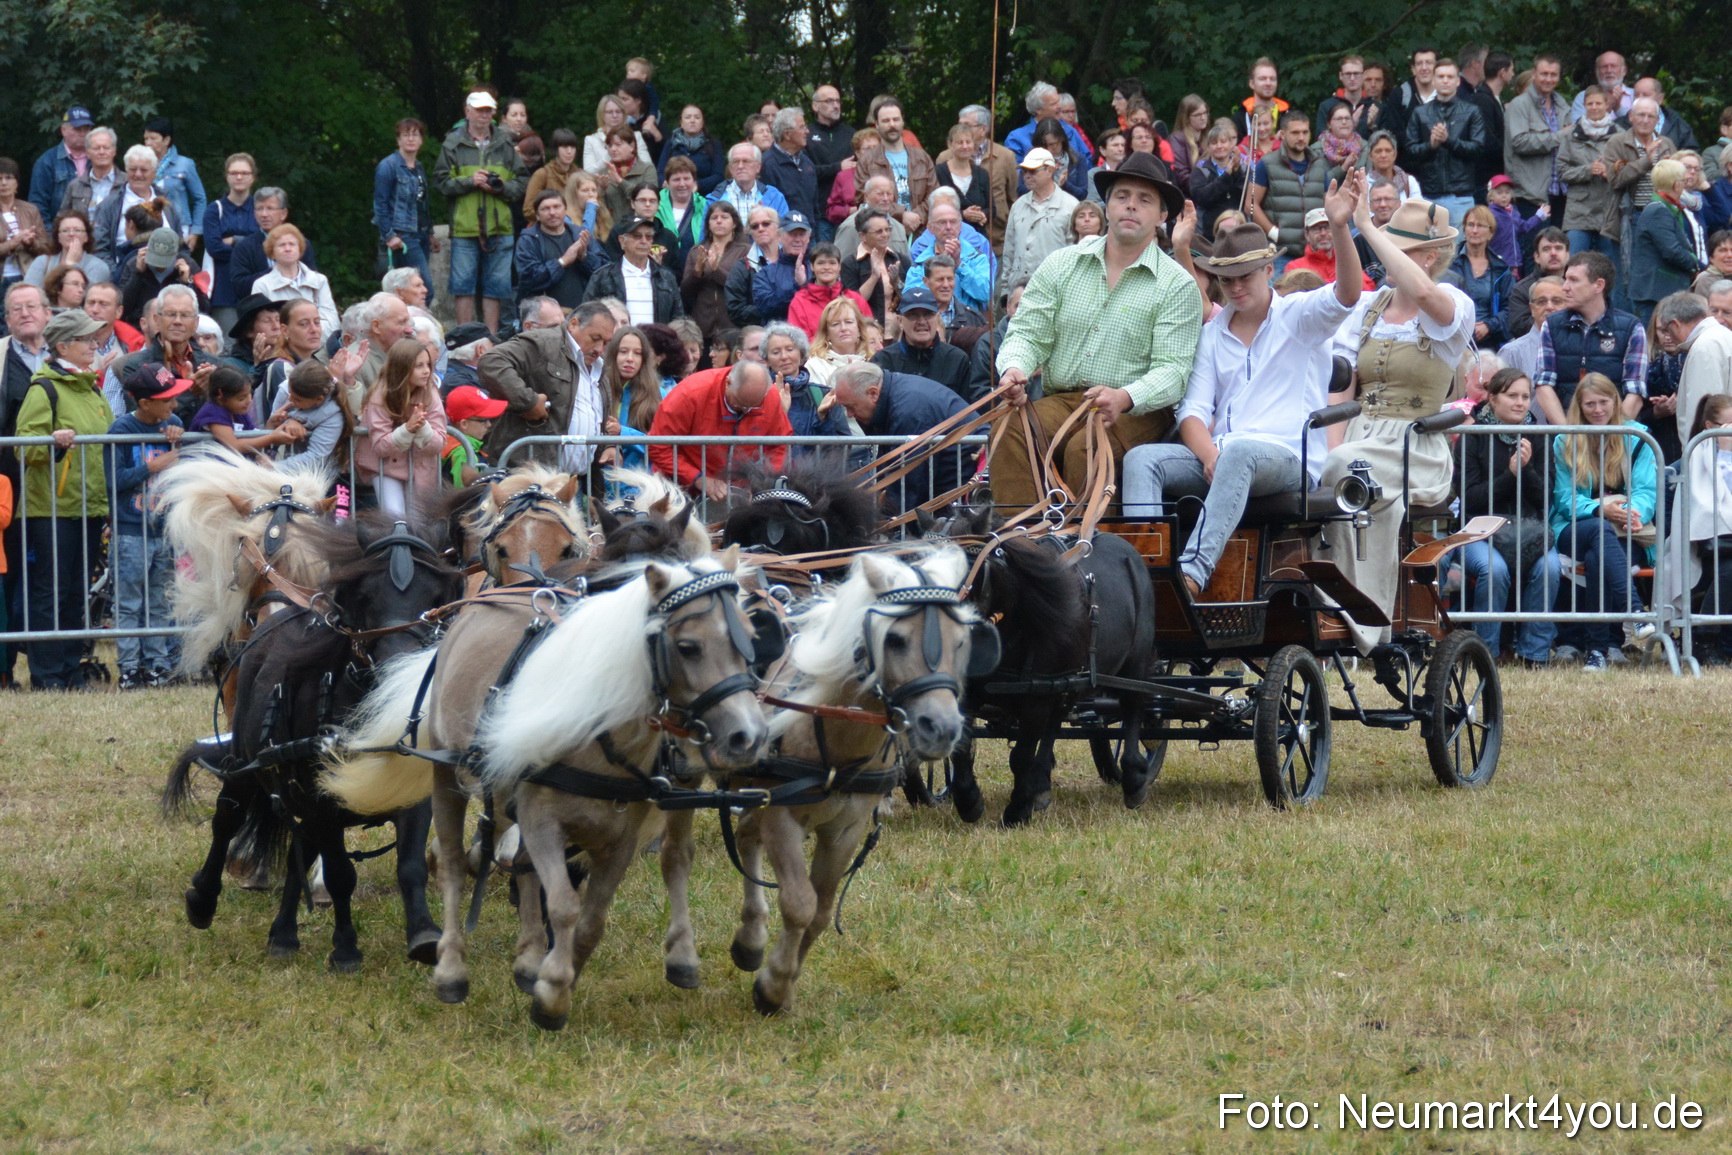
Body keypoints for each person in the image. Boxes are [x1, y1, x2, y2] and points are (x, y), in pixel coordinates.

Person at [1122, 175, 1363, 597]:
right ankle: (1143, 580)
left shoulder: (1299, 317)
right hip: (1225, 455)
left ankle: (1190, 575)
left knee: (1241, 452)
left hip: (1288, 459)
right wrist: (1210, 455)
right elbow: (1192, 412)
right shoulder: (1213, 335)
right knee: (1142, 459)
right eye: (1227, 278)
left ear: (1270, 271)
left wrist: (1340, 226)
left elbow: (1347, 293)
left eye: (1245, 276)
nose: (1235, 287)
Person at [992, 153, 1200, 509]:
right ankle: (1026, 545)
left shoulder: (1178, 285)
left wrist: (1124, 397)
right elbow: (1027, 332)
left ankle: (1082, 549)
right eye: (1122, 196)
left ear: (1163, 216)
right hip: (1067, 399)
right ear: (1107, 206)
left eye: (1144, 199)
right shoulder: (1062, 263)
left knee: (1083, 449)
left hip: (1138, 411)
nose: (1131, 206)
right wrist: (1014, 368)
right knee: (1009, 427)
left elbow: (1173, 372)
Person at [1320, 196, 1477, 652]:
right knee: (1326, 475)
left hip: (1415, 445)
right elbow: (1342, 385)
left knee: (1350, 467)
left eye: (1399, 248)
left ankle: (1363, 617)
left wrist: (1369, 228)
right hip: (1357, 437)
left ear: (1429, 257)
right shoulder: (1369, 308)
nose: (1385, 255)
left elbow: (1426, 294)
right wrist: (1331, 453)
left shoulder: (1454, 304)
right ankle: (1328, 604)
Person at [13, 310, 114, 688]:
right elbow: (25, 448)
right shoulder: (44, 389)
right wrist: (52, 442)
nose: (94, 344)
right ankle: (47, 674)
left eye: (94, 338)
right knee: (50, 593)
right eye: (86, 339)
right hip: (51, 510)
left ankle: (71, 670)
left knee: (75, 593)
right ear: (62, 346)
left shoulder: (94, 389)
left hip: (88, 507)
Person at [1450, 367, 1561, 665]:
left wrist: (1527, 471)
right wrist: (1510, 475)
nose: (1520, 403)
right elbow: (1470, 498)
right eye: (1512, 396)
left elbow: (1545, 498)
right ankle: (1485, 652)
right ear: (1492, 399)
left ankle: (1534, 655)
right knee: (1494, 570)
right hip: (1479, 532)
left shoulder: (1538, 436)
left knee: (1550, 568)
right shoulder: (1472, 437)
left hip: (1529, 530)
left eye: (1525, 397)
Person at [1551, 372, 1659, 670]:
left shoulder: (1638, 437)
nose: (1597, 410)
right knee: (1599, 530)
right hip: (1574, 526)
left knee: (1599, 555)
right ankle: (1634, 612)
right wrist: (1601, 510)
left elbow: (1646, 492)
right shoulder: (1566, 439)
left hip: (1626, 530)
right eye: (1589, 404)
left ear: (1615, 401)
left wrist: (1631, 513)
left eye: (1603, 402)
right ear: (1579, 407)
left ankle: (1597, 651)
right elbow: (1564, 498)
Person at [103, 359, 188, 687]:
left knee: (159, 600)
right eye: (167, 399)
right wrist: (153, 468)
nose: (174, 404)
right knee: (128, 601)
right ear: (144, 403)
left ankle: (157, 664)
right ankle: (128, 667)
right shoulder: (121, 430)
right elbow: (114, 480)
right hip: (130, 532)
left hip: (163, 530)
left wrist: (178, 442)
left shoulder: (174, 422)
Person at [479, 300, 615, 473]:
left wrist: (610, 444)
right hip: (528, 475)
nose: (599, 348)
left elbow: (597, 418)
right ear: (573, 324)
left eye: (605, 342)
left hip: (575, 481)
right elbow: (491, 362)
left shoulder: (598, 367)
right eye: (595, 339)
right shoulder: (543, 342)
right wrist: (528, 402)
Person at [435, 91, 527, 332]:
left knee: (495, 287)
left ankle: (491, 340)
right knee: (462, 286)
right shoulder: (452, 143)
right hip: (465, 227)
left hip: (500, 226)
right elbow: (441, 182)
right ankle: (465, 340)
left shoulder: (505, 142)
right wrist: (470, 181)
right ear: (467, 111)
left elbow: (522, 182)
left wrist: (501, 188)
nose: (484, 115)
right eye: (479, 110)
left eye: (488, 110)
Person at [647, 359, 790, 505]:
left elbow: (782, 445)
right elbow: (658, 446)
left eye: (754, 406)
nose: (746, 410)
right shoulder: (690, 394)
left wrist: (762, 482)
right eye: (739, 404)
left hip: (739, 493)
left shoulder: (770, 397)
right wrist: (697, 479)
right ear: (728, 383)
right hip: (680, 491)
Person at [831, 360, 968, 507]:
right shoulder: (896, 394)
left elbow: (909, 484)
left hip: (961, 484)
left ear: (873, 393)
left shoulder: (908, 410)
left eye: (850, 407)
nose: (849, 414)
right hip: (953, 480)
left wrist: (889, 521)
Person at [1534, 251, 1647, 423]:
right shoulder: (1552, 325)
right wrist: (1569, 436)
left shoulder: (1631, 327)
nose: (1565, 287)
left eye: (1573, 280)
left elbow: (1635, 393)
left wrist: (1610, 439)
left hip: (1615, 438)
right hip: (1566, 436)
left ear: (1598, 285)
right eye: (1565, 279)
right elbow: (1544, 385)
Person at [357, 337, 447, 514]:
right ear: (402, 368)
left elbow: (439, 443)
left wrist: (422, 427)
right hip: (386, 467)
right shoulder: (380, 396)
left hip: (421, 467)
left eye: (428, 364)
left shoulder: (431, 393)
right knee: (395, 516)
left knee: (420, 521)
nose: (426, 371)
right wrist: (407, 429)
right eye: (418, 366)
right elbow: (381, 446)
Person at [1401, 59, 1485, 227]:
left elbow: (1478, 149)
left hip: (1460, 195)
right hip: (1428, 194)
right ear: (1433, 80)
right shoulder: (1420, 113)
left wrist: (1449, 141)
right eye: (1440, 76)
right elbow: (1409, 152)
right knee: (1429, 249)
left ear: (1458, 81)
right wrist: (1430, 146)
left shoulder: (1472, 111)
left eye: (1449, 76)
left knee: (1458, 248)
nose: (1445, 81)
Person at [1504, 52, 1574, 236]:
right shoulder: (1520, 105)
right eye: (1544, 74)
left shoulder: (1563, 106)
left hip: (1561, 191)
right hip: (1531, 194)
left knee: (1557, 250)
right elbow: (1519, 142)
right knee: (1533, 252)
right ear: (1534, 73)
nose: (1548, 79)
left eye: (1553, 75)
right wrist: (1559, 136)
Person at [1630, 160, 1706, 323]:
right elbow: (1672, 251)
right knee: (1652, 344)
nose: (1685, 184)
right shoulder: (1658, 210)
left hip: (1661, 291)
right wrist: (1697, 265)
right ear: (1677, 185)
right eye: (1684, 181)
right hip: (1655, 293)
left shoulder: (1664, 208)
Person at [1655, 291, 1732, 453]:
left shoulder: (1704, 347)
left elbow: (1704, 410)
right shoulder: (1722, 336)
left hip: (1712, 457)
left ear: (1675, 324)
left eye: (1667, 330)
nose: (1669, 337)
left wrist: (1695, 459)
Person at [998, 148, 1079, 299]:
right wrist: (1005, 291)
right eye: (1024, 172)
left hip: (1055, 291)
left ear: (1050, 170)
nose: (1027, 176)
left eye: (1033, 171)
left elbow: (1074, 252)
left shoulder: (1070, 206)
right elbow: (1009, 250)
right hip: (1019, 293)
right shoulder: (1018, 206)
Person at [88, 146, 183, 275]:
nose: (138, 174)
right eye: (133, 169)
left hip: (166, 277)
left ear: (154, 172)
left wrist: (181, 273)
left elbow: (181, 244)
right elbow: (99, 248)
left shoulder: (166, 204)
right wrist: (118, 275)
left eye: (144, 170)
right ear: (126, 170)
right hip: (125, 277)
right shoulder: (109, 205)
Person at [373, 119, 437, 311]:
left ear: (421, 140)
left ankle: (406, 326)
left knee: (411, 291)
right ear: (398, 139)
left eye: (415, 134)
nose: (410, 138)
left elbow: (422, 204)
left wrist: (431, 232)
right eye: (406, 134)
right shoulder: (388, 166)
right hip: (403, 237)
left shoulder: (418, 167)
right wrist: (389, 235)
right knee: (424, 290)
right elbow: (380, 204)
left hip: (421, 234)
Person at [1249, 111, 1325, 265]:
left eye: (1305, 132)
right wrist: (1274, 233)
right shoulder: (1266, 164)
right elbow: (1250, 204)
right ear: (1282, 134)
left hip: (1315, 252)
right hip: (1279, 253)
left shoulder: (1319, 164)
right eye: (1295, 133)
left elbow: (1329, 203)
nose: (1301, 137)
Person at [874, 286, 975, 401]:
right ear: (900, 321)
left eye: (928, 314)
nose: (921, 321)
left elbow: (966, 412)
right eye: (913, 315)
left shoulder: (957, 360)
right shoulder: (882, 361)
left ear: (937, 318)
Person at [585, 214, 682, 326]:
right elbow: (588, 316)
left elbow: (678, 319)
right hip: (617, 341)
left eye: (648, 237)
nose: (644, 241)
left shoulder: (666, 277)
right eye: (637, 236)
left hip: (656, 342)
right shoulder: (602, 276)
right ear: (622, 241)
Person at [189, 364, 304, 457]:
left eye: (249, 394)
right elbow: (234, 445)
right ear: (220, 394)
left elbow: (253, 439)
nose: (249, 400)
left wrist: (271, 426)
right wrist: (272, 437)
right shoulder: (213, 411)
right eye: (241, 398)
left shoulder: (238, 412)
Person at [200, 153, 260, 331]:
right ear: (226, 176)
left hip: (256, 287)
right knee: (227, 345)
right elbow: (214, 248)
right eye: (234, 173)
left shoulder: (261, 209)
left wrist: (233, 240)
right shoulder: (214, 210)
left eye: (244, 173)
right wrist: (250, 248)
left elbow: (266, 245)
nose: (239, 177)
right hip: (224, 290)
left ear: (253, 177)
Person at [903, 194, 993, 310]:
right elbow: (911, 297)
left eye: (953, 222)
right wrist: (938, 267)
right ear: (930, 228)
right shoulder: (920, 263)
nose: (949, 227)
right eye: (942, 222)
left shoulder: (976, 257)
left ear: (960, 226)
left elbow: (986, 293)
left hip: (969, 324)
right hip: (932, 323)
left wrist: (959, 264)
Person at [858, 99, 935, 234]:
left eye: (896, 119)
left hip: (921, 231)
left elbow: (934, 193)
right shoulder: (866, 161)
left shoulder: (922, 157)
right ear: (876, 124)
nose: (892, 125)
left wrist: (916, 217)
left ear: (902, 122)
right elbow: (862, 198)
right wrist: (902, 215)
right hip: (883, 231)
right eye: (886, 121)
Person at [250, 223, 339, 339]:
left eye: (292, 244)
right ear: (272, 253)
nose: (287, 249)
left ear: (300, 249)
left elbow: (332, 322)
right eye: (281, 245)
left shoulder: (319, 280)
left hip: (320, 349)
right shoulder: (261, 285)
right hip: (281, 352)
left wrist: (308, 338)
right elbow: (263, 328)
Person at [516, 189, 601, 309]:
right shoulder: (528, 240)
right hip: (543, 315)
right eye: (545, 209)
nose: (552, 212)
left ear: (565, 210)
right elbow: (529, 279)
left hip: (583, 311)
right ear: (537, 216)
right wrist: (562, 261)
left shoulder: (580, 235)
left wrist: (584, 257)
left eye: (556, 207)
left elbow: (603, 273)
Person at [226, 188, 313, 304]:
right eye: (259, 209)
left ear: (283, 213)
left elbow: (312, 281)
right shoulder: (244, 247)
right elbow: (239, 287)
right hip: (261, 309)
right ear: (254, 214)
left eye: (270, 208)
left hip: (297, 306)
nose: (264, 214)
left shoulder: (300, 243)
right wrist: (276, 271)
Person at [680, 200, 748, 343]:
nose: (718, 221)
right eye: (714, 218)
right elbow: (685, 293)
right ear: (708, 224)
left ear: (734, 223)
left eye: (724, 217)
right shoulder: (696, 251)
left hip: (733, 327)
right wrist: (697, 271)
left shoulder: (745, 251)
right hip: (703, 328)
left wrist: (716, 270)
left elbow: (742, 287)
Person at [1449, 205, 1516, 347]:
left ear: (1490, 233)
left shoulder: (1501, 269)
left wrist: (1489, 326)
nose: (1474, 230)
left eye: (1480, 226)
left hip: (1488, 341)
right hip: (1452, 337)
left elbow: (1510, 307)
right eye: (1470, 225)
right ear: (1464, 230)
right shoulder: (1448, 263)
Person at [140, 118, 206, 248]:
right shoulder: (141, 165)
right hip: (148, 225)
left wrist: (196, 232)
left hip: (179, 226)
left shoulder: (184, 164)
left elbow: (200, 199)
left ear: (166, 140)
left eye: (153, 138)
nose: (148, 143)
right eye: (146, 139)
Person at [787, 242, 869, 338]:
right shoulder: (800, 301)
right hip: (815, 352)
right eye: (821, 263)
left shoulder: (855, 299)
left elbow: (869, 333)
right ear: (812, 267)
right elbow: (799, 341)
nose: (826, 267)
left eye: (832, 263)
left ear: (839, 267)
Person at [1285, 206, 1377, 289]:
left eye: (1328, 227)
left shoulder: (1347, 263)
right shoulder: (1295, 267)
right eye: (1317, 229)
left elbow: (1368, 289)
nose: (1323, 233)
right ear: (1307, 235)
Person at [839, 207, 903, 324]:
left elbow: (911, 298)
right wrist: (874, 277)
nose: (885, 235)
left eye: (887, 230)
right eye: (879, 231)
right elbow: (851, 305)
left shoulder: (899, 259)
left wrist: (897, 282)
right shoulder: (850, 264)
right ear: (863, 236)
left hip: (898, 330)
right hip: (868, 330)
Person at [934, 124, 996, 242]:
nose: (965, 146)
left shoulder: (982, 174)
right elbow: (935, 208)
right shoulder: (939, 173)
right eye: (960, 142)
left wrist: (981, 215)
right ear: (950, 144)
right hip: (948, 240)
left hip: (977, 240)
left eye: (968, 142)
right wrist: (963, 214)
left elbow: (992, 209)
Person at [28, 107, 92, 220]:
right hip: (59, 232)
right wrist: (50, 235)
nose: (82, 134)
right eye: (77, 129)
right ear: (63, 130)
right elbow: (37, 205)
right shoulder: (46, 162)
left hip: (96, 232)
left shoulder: (98, 159)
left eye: (86, 129)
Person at [751, 211, 814, 325]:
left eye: (802, 234)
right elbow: (765, 308)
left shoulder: (819, 269)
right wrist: (798, 286)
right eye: (792, 234)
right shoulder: (765, 274)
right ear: (779, 236)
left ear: (808, 238)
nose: (797, 239)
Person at [1505, 226, 1569, 338]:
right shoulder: (1521, 289)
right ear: (1537, 257)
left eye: (1558, 248)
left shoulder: (1578, 286)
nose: (1553, 253)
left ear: (1567, 255)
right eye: (1546, 249)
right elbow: (1518, 327)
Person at [1499, 275, 1566, 380]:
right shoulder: (1512, 353)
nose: (1549, 307)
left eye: (1556, 301)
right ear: (1532, 309)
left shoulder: (1580, 348)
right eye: (1541, 301)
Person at [24, 210, 109, 293]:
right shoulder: (41, 262)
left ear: (86, 237)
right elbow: (28, 294)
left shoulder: (98, 267)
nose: (71, 234)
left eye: (77, 230)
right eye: (65, 230)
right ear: (58, 237)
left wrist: (71, 264)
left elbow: (80, 297)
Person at [805, 86, 856, 225]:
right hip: (819, 211)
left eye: (838, 101)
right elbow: (806, 171)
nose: (835, 106)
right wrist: (838, 167)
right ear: (815, 106)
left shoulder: (851, 134)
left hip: (849, 213)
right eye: (829, 101)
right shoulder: (805, 134)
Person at [761, 108, 819, 227]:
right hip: (784, 234)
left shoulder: (807, 163)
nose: (807, 131)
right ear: (787, 134)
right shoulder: (768, 164)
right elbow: (768, 208)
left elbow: (815, 206)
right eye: (802, 127)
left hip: (809, 234)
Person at [1189, 122, 1247, 239]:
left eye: (1223, 142)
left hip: (1238, 230)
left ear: (1231, 144)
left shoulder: (1244, 168)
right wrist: (1227, 175)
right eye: (1214, 143)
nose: (1219, 146)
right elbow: (1202, 197)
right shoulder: (1200, 170)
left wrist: (1236, 172)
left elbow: (1245, 196)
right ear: (1208, 146)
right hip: (1209, 233)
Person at [441, 384, 505, 486]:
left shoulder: (454, 444)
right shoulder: (463, 453)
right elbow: (463, 494)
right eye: (483, 420)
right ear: (464, 424)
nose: (489, 425)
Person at [0, 159, 49, 289]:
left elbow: (46, 248)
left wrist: (31, 243)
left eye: (9, 178)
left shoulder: (30, 209)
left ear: (16, 183)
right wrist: (13, 243)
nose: (3, 183)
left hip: (27, 276)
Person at [1484, 175, 1547, 274]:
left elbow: (1524, 227)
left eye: (1507, 192)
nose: (1504, 196)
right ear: (1491, 196)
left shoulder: (1513, 212)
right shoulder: (1490, 214)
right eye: (1499, 193)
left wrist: (1538, 217)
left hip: (1513, 262)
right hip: (1496, 262)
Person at [659, 105, 726, 196]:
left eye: (697, 117)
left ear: (702, 122)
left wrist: (696, 185)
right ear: (681, 122)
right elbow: (660, 172)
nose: (692, 120)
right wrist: (667, 183)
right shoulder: (670, 144)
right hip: (673, 196)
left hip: (705, 197)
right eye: (688, 117)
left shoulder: (713, 145)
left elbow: (718, 175)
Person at [712, 143, 790, 222]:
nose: (740, 166)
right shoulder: (715, 199)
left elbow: (784, 231)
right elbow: (705, 233)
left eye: (746, 161)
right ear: (730, 168)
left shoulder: (774, 197)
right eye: (736, 162)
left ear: (758, 167)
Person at [804, 295, 870, 386]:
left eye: (849, 322)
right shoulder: (815, 365)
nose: (843, 328)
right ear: (827, 334)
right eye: (835, 324)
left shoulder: (873, 361)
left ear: (859, 329)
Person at [57, 125, 119, 220]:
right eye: (96, 148)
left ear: (114, 151)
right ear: (88, 153)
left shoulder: (127, 183)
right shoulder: (75, 186)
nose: (102, 152)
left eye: (106, 148)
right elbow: (62, 219)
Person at [923, 254, 988, 337]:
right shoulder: (914, 316)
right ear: (926, 281)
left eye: (950, 279)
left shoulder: (974, 318)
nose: (946, 285)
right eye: (940, 280)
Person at [583, 94, 650, 174]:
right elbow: (587, 173)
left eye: (618, 112)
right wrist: (608, 156)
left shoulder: (636, 136)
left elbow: (648, 166)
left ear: (624, 114)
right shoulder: (591, 140)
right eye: (610, 112)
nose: (615, 116)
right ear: (602, 115)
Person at [524, 127, 581, 217]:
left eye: (572, 147)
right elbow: (528, 209)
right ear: (556, 149)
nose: (569, 151)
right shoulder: (542, 174)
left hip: (576, 227)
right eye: (565, 147)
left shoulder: (580, 175)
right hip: (548, 227)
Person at [1570, 51, 1635, 120]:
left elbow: (1638, 125)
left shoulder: (1635, 95)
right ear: (1597, 71)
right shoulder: (1583, 97)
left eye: (1613, 66)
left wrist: (1618, 108)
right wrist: (1605, 110)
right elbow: (1577, 127)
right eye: (1604, 67)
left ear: (1624, 71)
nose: (1609, 70)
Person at [1168, 95, 1211, 192]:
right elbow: (1181, 175)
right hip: (1189, 196)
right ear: (1186, 118)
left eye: (1205, 113)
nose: (1203, 118)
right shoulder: (1177, 139)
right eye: (1197, 115)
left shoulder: (1209, 137)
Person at [1315, 104, 1366, 179]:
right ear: (1329, 124)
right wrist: (1343, 168)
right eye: (1339, 119)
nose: (1344, 122)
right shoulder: (1317, 150)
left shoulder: (1365, 146)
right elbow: (1317, 183)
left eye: (1348, 118)